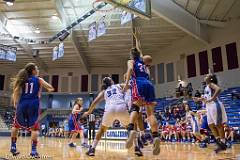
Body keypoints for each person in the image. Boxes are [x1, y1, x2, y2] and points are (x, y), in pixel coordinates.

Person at [85, 77, 143, 157]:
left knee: (101, 130)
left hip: (109, 109)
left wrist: (89, 111)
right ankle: (137, 147)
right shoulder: (118, 85)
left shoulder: (104, 91)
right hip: (121, 107)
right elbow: (130, 86)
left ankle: (92, 149)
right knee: (130, 128)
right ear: (111, 81)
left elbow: (95, 102)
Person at [10, 63, 54, 157]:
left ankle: (13, 146)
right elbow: (51, 88)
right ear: (33, 70)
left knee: (16, 126)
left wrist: (15, 102)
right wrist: (44, 88)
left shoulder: (22, 79)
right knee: (35, 129)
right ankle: (33, 151)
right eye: (37, 69)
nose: (38, 70)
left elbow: (16, 91)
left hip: (22, 103)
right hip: (33, 103)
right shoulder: (38, 79)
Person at [123, 47, 160, 155]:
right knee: (150, 113)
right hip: (149, 85)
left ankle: (131, 130)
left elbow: (130, 70)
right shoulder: (143, 62)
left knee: (136, 107)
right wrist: (138, 42)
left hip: (138, 83)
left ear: (131, 55)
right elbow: (145, 55)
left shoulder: (131, 61)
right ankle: (155, 136)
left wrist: (126, 84)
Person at [193, 74, 228, 153]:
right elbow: (205, 98)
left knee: (218, 125)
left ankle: (223, 142)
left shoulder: (211, 84)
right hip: (209, 107)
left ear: (210, 79)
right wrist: (198, 99)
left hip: (215, 105)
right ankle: (218, 141)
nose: (205, 76)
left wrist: (212, 98)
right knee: (211, 125)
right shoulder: (206, 87)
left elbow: (218, 89)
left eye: (207, 75)